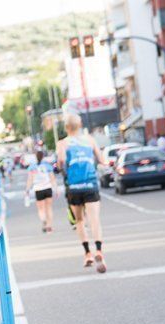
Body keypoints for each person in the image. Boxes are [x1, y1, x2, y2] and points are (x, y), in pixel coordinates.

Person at [57, 113, 107, 273]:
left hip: (74, 187)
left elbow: (61, 162)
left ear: (66, 128)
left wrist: (62, 167)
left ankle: (87, 254)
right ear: (80, 126)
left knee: (79, 221)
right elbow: (101, 160)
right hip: (90, 184)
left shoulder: (63, 143)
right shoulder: (90, 140)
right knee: (94, 220)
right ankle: (99, 250)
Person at [25, 150, 57, 233]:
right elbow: (52, 179)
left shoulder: (32, 167)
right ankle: (49, 225)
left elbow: (30, 180)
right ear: (43, 156)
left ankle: (43, 220)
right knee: (49, 208)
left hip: (38, 189)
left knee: (41, 209)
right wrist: (56, 189)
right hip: (48, 187)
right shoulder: (48, 166)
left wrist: (27, 190)